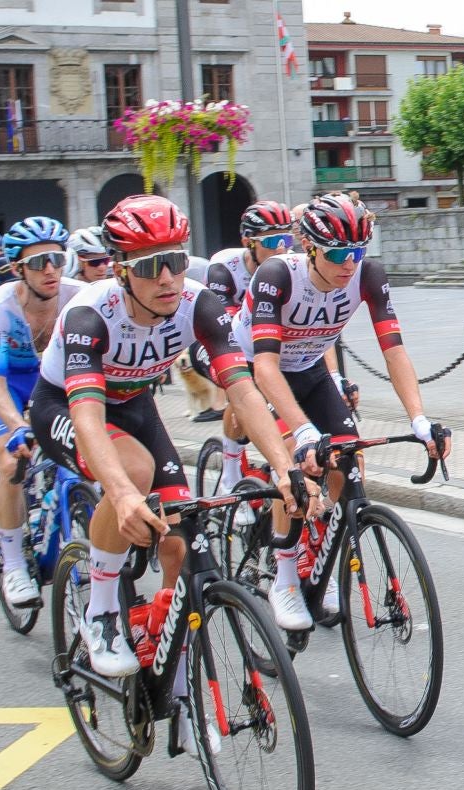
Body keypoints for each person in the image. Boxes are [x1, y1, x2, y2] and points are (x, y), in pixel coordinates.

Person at [30, 195, 319, 753]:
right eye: (147, 265)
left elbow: (242, 389)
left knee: (180, 543)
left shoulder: (198, 304)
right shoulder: (92, 314)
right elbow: (87, 416)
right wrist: (121, 493)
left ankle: (179, 682)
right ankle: (104, 607)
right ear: (120, 270)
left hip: (135, 404)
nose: (166, 277)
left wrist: (284, 468)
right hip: (65, 408)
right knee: (133, 475)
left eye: (176, 260)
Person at [238, 193, 450, 630]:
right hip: (258, 371)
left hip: (310, 368)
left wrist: (419, 420)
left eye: (358, 251)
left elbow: (393, 350)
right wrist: (300, 433)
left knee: (349, 457)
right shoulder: (276, 275)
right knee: (295, 470)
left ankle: (320, 547)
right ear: (310, 248)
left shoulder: (367, 275)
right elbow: (264, 367)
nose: (350, 263)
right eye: (338, 253)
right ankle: (284, 578)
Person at [0, 217, 83, 607]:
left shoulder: (79, 295)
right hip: (12, 382)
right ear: (16, 268)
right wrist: (18, 425)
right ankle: (12, 565)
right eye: (38, 262)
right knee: (12, 463)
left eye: (57, 259)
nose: (50, 270)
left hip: (55, 381)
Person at [203, 200, 298, 488]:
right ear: (248, 242)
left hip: (266, 343)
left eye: (287, 239)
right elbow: (228, 334)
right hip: (220, 341)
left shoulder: (291, 265)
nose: (282, 248)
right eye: (272, 240)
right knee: (241, 386)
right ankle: (231, 467)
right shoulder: (224, 268)